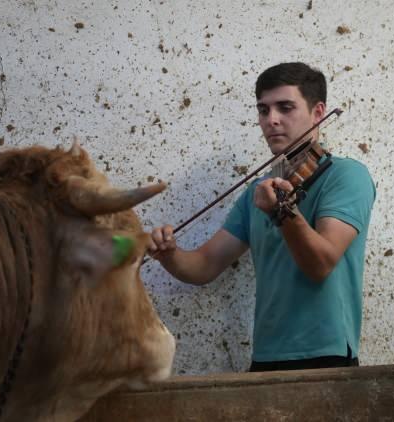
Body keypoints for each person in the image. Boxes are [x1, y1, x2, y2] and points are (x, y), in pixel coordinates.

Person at [149, 62, 376, 372]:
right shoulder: (259, 191)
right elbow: (204, 266)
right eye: (263, 110)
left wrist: (281, 211)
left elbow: (320, 264)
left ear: (318, 112)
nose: (272, 120)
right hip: (266, 356)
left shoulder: (347, 177)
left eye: (285, 108)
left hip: (326, 355)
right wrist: (169, 255)